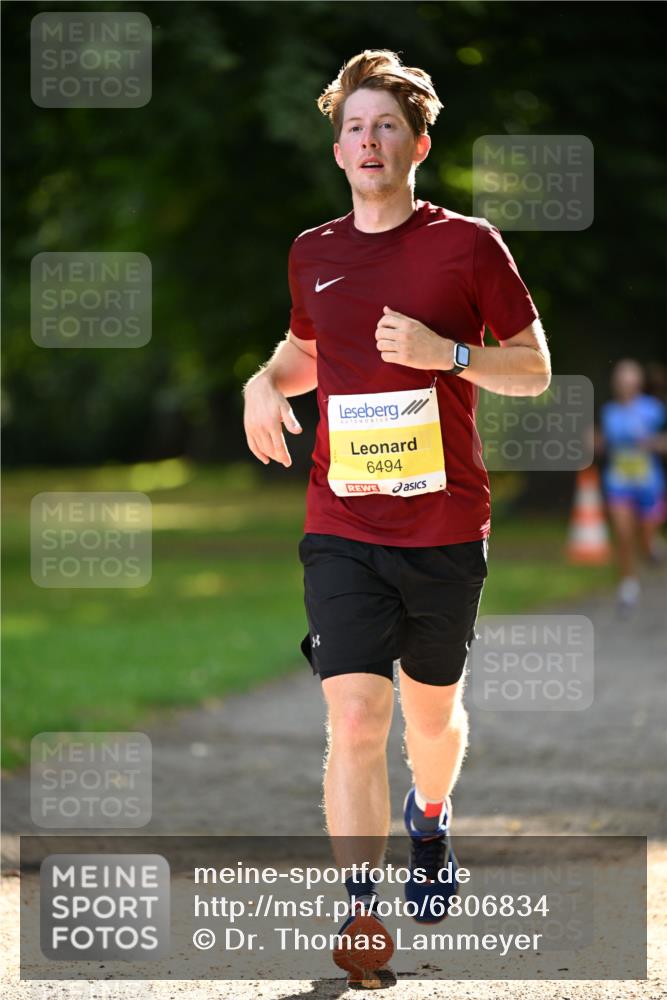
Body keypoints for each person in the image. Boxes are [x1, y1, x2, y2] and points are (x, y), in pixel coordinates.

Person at [243, 49, 550, 988]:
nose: (368, 142)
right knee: (354, 709)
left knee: (431, 720)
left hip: (446, 525)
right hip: (341, 519)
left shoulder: (467, 245)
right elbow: (307, 354)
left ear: (418, 143)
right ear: (337, 151)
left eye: (384, 126)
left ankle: (430, 816)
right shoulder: (313, 252)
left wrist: (446, 351)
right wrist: (262, 382)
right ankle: (361, 915)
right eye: (352, 129)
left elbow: (532, 368)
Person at [599, 359, 667, 614]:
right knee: (624, 534)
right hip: (619, 482)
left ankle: (652, 546)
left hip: (649, 484)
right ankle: (628, 585)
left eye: (629, 380)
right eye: (620, 380)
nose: (624, 385)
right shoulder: (610, 412)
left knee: (645, 541)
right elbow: (605, 444)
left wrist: (653, 443)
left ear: (637, 383)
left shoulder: (654, 410)